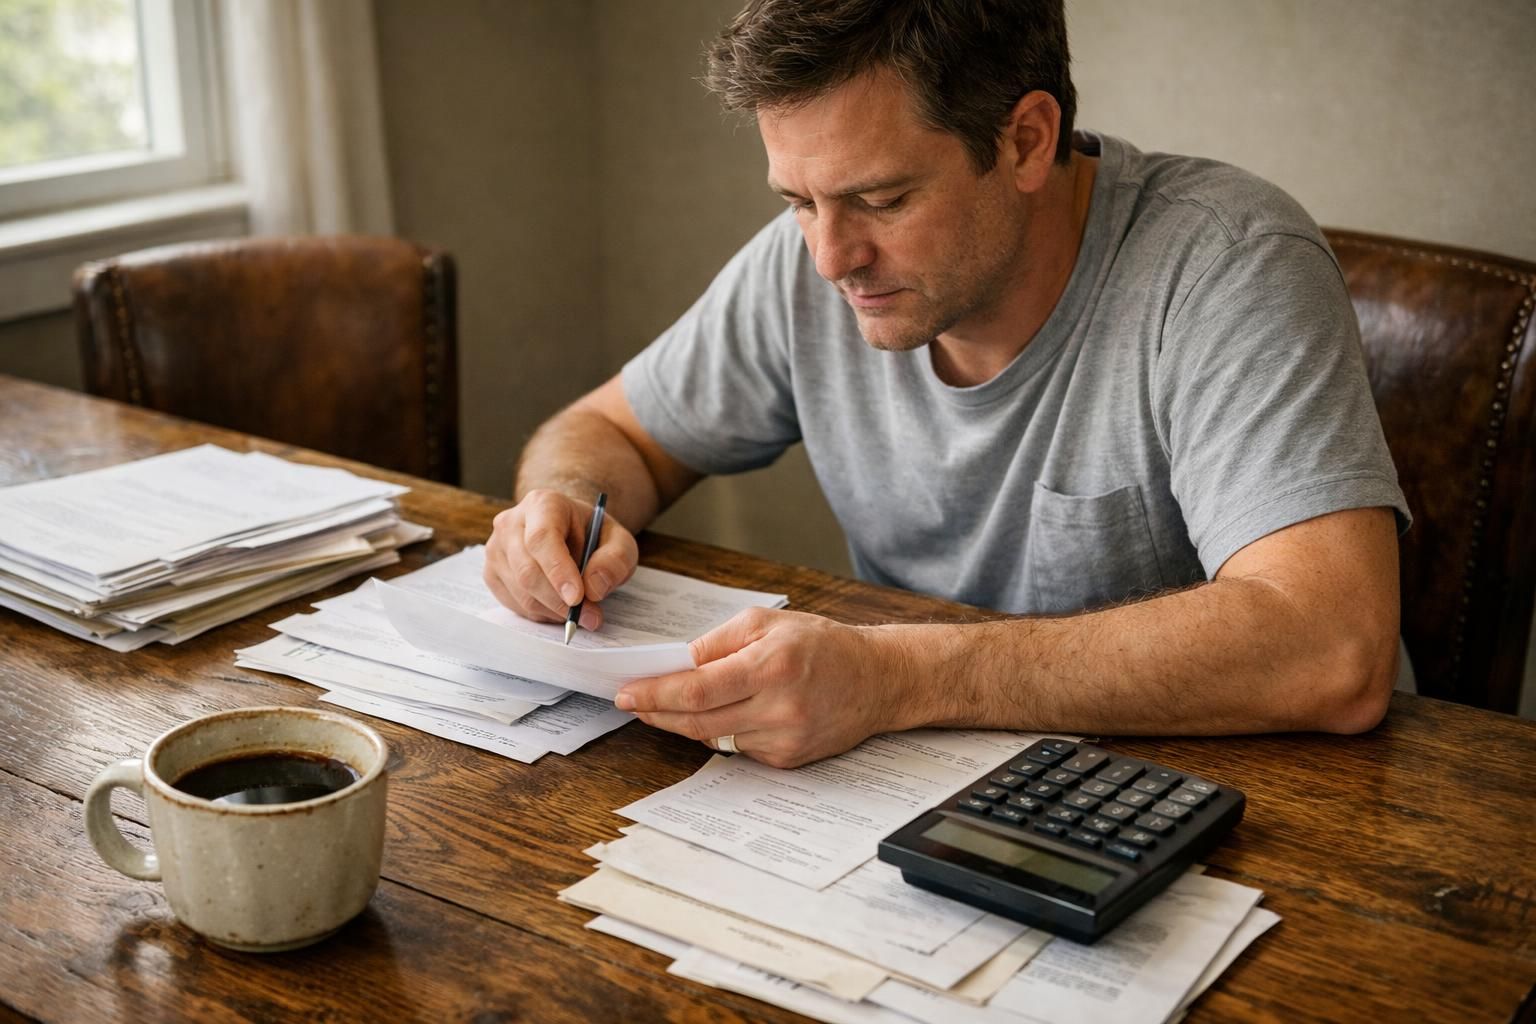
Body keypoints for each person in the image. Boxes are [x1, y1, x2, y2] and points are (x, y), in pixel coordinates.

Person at [484, 0, 1409, 768]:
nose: (830, 257)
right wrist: (563, 504)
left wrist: (901, 677)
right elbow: (618, 433)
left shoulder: (1228, 265)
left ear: (1027, 141)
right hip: (931, 783)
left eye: (883, 200)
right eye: (798, 201)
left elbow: (1331, 645)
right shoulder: (809, 266)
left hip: (1271, 813)